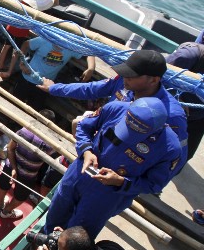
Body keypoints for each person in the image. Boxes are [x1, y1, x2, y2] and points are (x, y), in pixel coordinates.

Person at [44, 97, 181, 239]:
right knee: (57, 209)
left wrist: (121, 181)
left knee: (80, 232)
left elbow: (154, 184)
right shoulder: (115, 109)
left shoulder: (169, 149)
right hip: (79, 174)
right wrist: (86, 151)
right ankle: (46, 241)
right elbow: (84, 127)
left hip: (107, 195)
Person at [38, 49, 189, 173]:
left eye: (131, 75)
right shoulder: (124, 83)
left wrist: (133, 182)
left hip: (124, 166)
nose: (125, 77)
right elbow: (91, 89)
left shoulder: (173, 115)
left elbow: (175, 156)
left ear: (153, 80)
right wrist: (54, 88)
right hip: (97, 146)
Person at [0, 110, 56, 219]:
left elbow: (10, 148)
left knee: (3, 184)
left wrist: (14, 168)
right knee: (20, 196)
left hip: (11, 165)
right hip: (28, 175)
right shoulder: (50, 145)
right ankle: (6, 211)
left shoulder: (24, 131)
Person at [12, 35, 95, 107]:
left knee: (33, 111)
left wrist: (91, 68)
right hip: (27, 78)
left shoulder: (70, 47)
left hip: (45, 85)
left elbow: (89, 52)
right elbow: (26, 44)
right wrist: (22, 63)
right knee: (14, 104)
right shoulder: (45, 40)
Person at [0, 0, 60, 78]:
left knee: (6, 46)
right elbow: (56, 3)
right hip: (22, 30)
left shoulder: (23, 0)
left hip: (12, 25)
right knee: (16, 51)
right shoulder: (39, 8)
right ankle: (9, 71)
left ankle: (0, 65)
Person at [165, 41, 204, 156]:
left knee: (185, 154)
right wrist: (177, 101)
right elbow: (156, 77)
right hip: (171, 107)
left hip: (199, 115)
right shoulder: (188, 55)